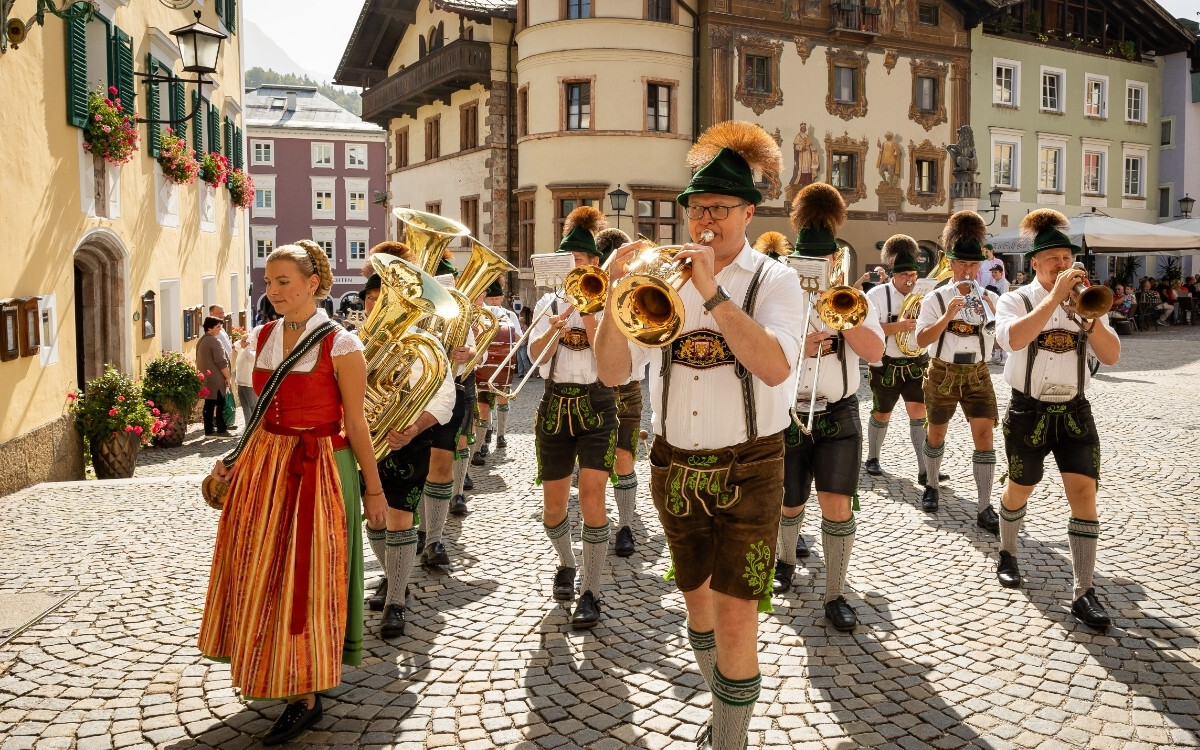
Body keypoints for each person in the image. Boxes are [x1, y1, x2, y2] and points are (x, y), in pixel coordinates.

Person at [596, 121, 805, 750]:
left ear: (747, 211)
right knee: (697, 600)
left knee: (739, 608)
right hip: (674, 464)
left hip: (752, 462)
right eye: (695, 209)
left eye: (718, 208)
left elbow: (773, 366)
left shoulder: (776, 281)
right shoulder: (660, 278)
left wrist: (712, 292)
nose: (704, 221)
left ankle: (729, 737)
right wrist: (613, 294)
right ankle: (723, 703)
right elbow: (612, 371)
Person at [198, 240, 386, 746]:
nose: (274, 290)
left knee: (309, 575)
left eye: (284, 282)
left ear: (312, 284)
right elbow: (255, 415)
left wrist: (373, 491)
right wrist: (234, 459)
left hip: (320, 467)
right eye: (269, 282)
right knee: (262, 568)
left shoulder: (341, 344)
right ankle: (269, 662)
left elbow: (357, 421)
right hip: (264, 465)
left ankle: (305, 692)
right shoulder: (258, 338)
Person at [993, 209, 1121, 630]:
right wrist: (1053, 299)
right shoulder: (1015, 299)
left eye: (1068, 258)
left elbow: (1112, 355)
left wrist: (1090, 318)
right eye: (1053, 260)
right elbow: (1013, 339)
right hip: (1028, 409)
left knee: (1084, 493)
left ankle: (1084, 591)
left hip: (1074, 410)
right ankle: (1008, 550)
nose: (1063, 266)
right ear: (1035, 263)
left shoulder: (1084, 302)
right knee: (1020, 490)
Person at [772, 184, 884, 634]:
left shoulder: (852, 299)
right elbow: (760, 355)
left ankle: (835, 592)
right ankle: (783, 561)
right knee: (789, 502)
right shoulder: (777, 295)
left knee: (837, 504)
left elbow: (875, 352)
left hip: (837, 411)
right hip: (787, 410)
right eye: (806, 265)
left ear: (834, 261)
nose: (813, 271)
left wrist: (842, 312)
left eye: (822, 264)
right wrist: (803, 341)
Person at [529, 205, 618, 629]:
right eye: (567, 262)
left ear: (594, 264)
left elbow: (616, 363)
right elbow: (533, 357)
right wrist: (553, 328)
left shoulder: (611, 302)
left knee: (592, 498)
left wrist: (590, 315)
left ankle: (592, 591)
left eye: (579, 262)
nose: (572, 268)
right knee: (553, 507)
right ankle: (566, 564)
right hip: (553, 405)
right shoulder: (548, 301)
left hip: (598, 404)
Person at [358, 272, 456, 640]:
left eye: (382, 298)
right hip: (364, 442)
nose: (375, 305)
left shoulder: (425, 343)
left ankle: (395, 600)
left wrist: (414, 428)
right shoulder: (351, 342)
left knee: (399, 518)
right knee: (375, 518)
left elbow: (444, 398)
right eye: (370, 298)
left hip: (409, 441)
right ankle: (395, 577)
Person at [914, 211, 1001, 532]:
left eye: (973, 265)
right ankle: (932, 485)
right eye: (963, 265)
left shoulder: (990, 297)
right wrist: (947, 315)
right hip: (942, 372)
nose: (968, 271)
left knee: (985, 435)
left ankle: (984, 505)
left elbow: (1006, 338)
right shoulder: (936, 297)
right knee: (936, 433)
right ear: (950, 263)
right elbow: (921, 339)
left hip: (978, 373)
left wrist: (996, 314)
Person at [863, 234, 947, 488]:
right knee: (882, 411)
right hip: (886, 362)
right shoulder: (877, 294)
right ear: (893, 276)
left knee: (919, 413)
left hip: (915, 362)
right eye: (904, 276)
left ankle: (924, 469)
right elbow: (868, 330)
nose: (910, 280)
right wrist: (899, 326)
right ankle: (873, 458)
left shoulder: (925, 295)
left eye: (913, 275)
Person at [593, 227, 645, 557]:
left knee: (624, 456)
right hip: (593, 387)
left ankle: (625, 524)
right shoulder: (588, 291)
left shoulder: (640, 290)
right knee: (595, 465)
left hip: (628, 386)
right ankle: (595, 523)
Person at [472, 280, 520, 464]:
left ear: (500, 297)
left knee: (500, 398)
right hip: (479, 368)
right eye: (489, 297)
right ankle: (482, 442)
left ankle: (500, 434)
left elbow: (517, 339)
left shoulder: (506, 315)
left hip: (500, 365)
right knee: (482, 406)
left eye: (495, 297)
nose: (492, 301)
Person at [196, 317, 233, 437]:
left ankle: (209, 430)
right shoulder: (214, 341)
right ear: (210, 327)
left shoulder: (202, 340)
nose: (220, 329)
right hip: (217, 379)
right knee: (220, 404)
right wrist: (228, 377)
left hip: (207, 378)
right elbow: (221, 362)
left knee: (209, 404)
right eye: (218, 327)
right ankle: (221, 430)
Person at [233, 330, 259, 425]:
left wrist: (250, 345)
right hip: (240, 381)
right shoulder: (242, 349)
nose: (241, 342)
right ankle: (247, 424)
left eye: (243, 341)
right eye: (242, 340)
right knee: (244, 406)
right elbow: (236, 345)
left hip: (249, 383)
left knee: (252, 405)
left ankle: (254, 425)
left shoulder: (251, 351)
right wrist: (243, 341)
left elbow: (251, 357)